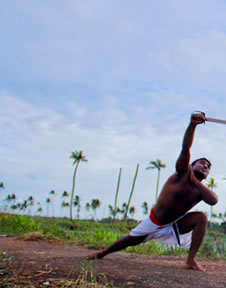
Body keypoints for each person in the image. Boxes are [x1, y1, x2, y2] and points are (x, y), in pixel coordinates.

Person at [86, 112, 218, 271]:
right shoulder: (182, 173)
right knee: (130, 240)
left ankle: (191, 260)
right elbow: (185, 148)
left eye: (208, 167)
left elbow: (213, 200)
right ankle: (102, 253)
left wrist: (195, 181)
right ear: (191, 165)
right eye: (202, 163)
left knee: (201, 217)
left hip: (174, 223)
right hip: (155, 220)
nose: (205, 166)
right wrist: (192, 125)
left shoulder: (200, 190)